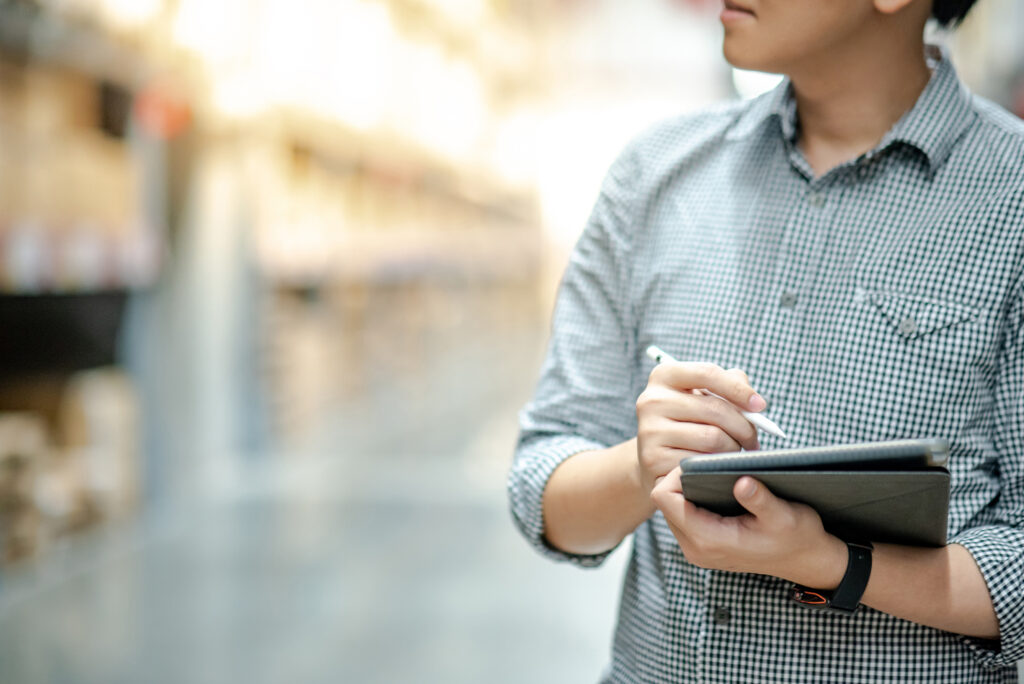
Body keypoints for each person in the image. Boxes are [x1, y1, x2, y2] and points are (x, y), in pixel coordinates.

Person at [508, 0, 1024, 681]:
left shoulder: (1010, 203)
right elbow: (542, 486)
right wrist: (640, 466)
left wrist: (828, 563)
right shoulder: (656, 177)